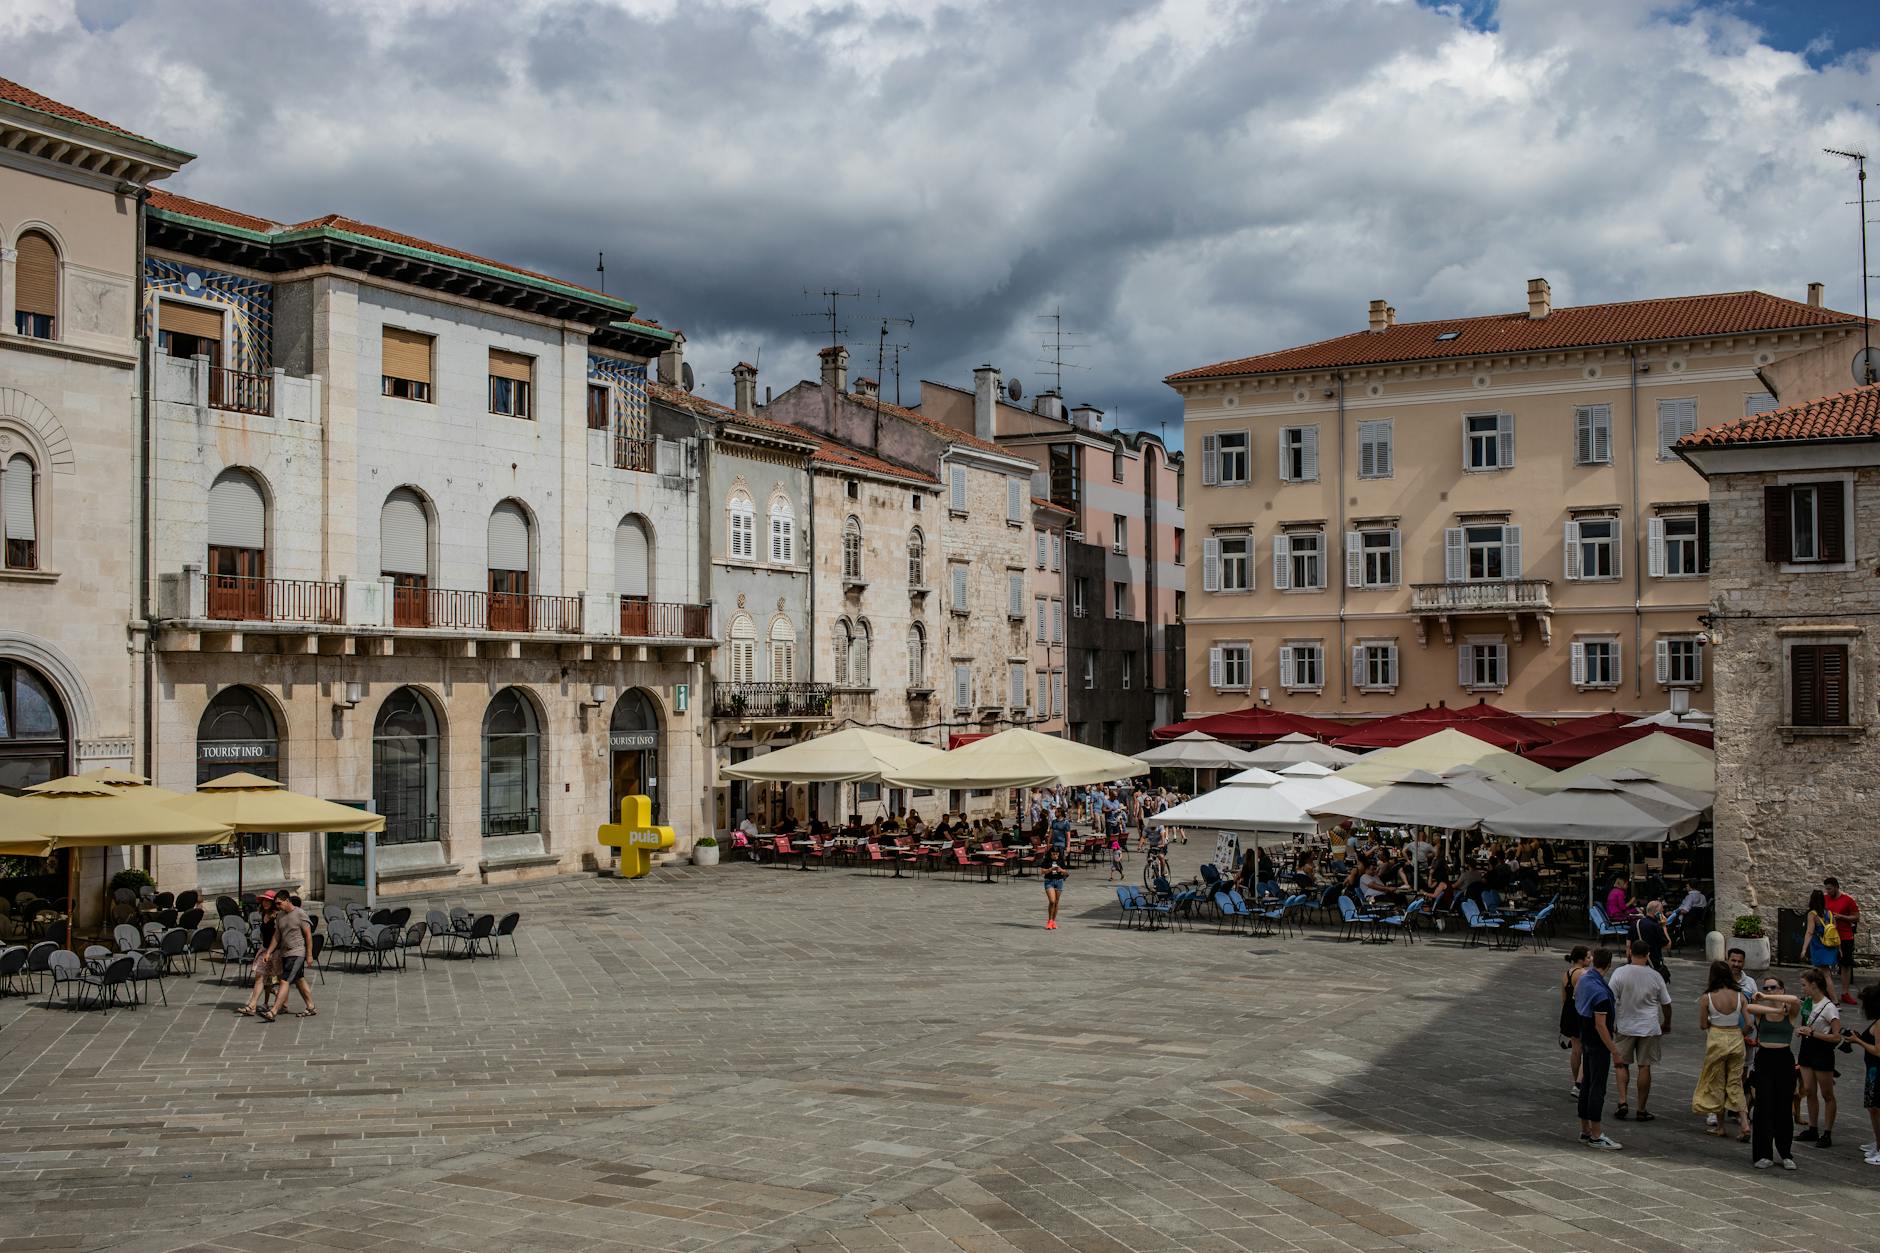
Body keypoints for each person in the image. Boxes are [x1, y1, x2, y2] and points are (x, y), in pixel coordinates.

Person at [1609, 937, 1674, 1122]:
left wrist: (1611, 1021)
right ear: (1648, 955)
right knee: (1644, 1066)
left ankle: (1622, 1101)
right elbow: (1666, 1003)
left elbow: (1609, 998)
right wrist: (1667, 1022)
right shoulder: (1655, 976)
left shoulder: (1620, 973)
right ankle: (1641, 1108)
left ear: (1630, 952)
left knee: (1621, 1064)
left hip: (1625, 1025)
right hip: (1649, 1026)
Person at [1745, 974, 1802, 1169]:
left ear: (1781, 989)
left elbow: (1795, 1000)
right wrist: (1772, 1006)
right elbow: (1749, 1008)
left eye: (1773, 987)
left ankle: (1785, 1153)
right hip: (1765, 1059)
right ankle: (1764, 1154)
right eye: (1766, 988)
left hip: (1784, 1059)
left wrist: (1769, 999)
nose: (1768, 991)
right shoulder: (1762, 1012)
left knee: (1784, 1107)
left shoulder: (1790, 1012)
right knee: (1763, 1106)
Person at [1692, 960, 1751, 1142]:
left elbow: (1703, 1024)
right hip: (1736, 1037)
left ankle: (1720, 1126)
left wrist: (1714, 1023)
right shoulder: (1740, 996)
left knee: (1717, 1081)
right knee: (1735, 1083)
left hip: (1717, 1038)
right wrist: (1740, 1033)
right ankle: (1745, 1124)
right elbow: (1749, 1023)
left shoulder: (1707, 998)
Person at [1576, 948, 1623, 1149]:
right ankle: (1596, 1135)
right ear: (1609, 964)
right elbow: (1601, 1025)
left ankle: (1585, 1129)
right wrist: (1614, 1050)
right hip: (1598, 1044)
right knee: (1597, 1088)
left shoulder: (1585, 980)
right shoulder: (1601, 993)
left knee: (1586, 1084)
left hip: (1586, 1038)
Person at [1796, 967, 1841, 1149]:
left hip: (1822, 1052)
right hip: (1806, 1049)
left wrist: (1813, 1033)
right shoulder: (1808, 1002)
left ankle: (1827, 1132)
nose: (1802, 988)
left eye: (1804, 985)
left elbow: (1836, 1037)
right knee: (1809, 1090)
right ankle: (1812, 1128)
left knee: (1827, 1093)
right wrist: (1803, 1031)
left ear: (1814, 985)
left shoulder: (1829, 1008)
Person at [261, 893, 316, 1022]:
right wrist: (268, 952)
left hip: (297, 952)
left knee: (284, 980)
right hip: (285, 953)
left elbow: (308, 935)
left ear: (287, 900)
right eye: (276, 904)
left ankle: (273, 1011)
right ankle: (311, 1006)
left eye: (279, 903)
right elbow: (277, 936)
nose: (277, 906)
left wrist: (309, 955)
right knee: (299, 979)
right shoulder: (280, 915)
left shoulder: (300, 913)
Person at [1842, 982, 1880, 1165]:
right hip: (1873, 1071)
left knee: (1876, 1109)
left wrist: (1858, 1041)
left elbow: (1878, 1051)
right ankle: (1878, 1142)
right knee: (1873, 1108)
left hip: (1877, 1071)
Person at [235, 890, 281, 1017]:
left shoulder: (277, 916)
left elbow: (278, 936)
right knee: (259, 976)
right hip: (264, 949)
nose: (265, 903)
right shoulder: (263, 914)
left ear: (273, 902)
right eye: (264, 900)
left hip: (276, 952)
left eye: (268, 901)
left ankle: (282, 1004)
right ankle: (252, 1005)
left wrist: (271, 951)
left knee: (281, 980)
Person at [1560, 946, 1593, 1098]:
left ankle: (1576, 1081)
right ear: (1581, 959)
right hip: (1581, 1012)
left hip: (1569, 1011)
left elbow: (1564, 998)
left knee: (1575, 1049)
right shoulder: (1583, 974)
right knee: (1588, 1048)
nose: (1591, 959)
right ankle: (1580, 1083)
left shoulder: (1566, 974)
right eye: (1588, 957)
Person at [1823, 877, 1861, 1006]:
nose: (1828, 892)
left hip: (1845, 937)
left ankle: (1845, 993)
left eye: (1830, 889)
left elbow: (1856, 917)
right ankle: (1828, 991)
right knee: (1826, 964)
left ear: (1836, 887)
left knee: (1845, 964)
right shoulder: (1825, 898)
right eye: (1826, 889)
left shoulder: (1848, 900)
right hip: (1829, 937)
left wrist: (1841, 917)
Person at [1803, 890, 1845, 1003]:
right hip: (1831, 947)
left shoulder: (1812, 914)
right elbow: (1835, 932)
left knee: (1826, 975)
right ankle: (1813, 997)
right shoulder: (1829, 913)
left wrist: (1804, 949)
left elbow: (1809, 932)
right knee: (1819, 973)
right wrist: (1839, 949)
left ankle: (1835, 1001)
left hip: (1819, 946)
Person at [1632, 901, 1672, 983]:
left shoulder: (1635, 924)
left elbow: (1628, 945)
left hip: (1635, 963)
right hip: (1653, 964)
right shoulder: (1656, 927)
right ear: (1657, 913)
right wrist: (1664, 927)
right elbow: (1668, 945)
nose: (1663, 913)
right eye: (1661, 911)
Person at [1039, 841, 1070, 930]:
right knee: (1052, 901)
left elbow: (1067, 873)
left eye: (1056, 854)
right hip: (1049, 881)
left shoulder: (1061, 861)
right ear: (1050, 853)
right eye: (1053, 854)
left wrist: (1061, 870)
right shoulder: (1046, 860)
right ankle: (1049, 920)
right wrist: (1050, 869)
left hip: (1059, 881)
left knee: (1056, 902)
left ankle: (1053, 921)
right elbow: (1042, 871)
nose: (1055, 856)